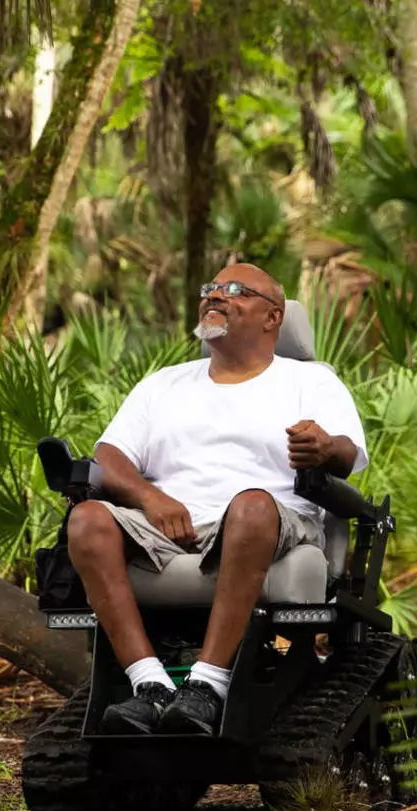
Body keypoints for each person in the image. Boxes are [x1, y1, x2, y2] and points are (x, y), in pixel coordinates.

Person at [67, 262, 368, 737]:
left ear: (273, 318)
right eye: (209, 288)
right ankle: (151, 685)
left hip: (271, 524)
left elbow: (349, 455)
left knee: (250, 504)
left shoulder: (310, 382)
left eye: (235, 290)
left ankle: (207, 684)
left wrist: (324, 447)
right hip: (169, 526)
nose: (215, 296)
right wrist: (150, 497)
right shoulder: (163, 384)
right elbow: (108, 458)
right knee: (86, 519)